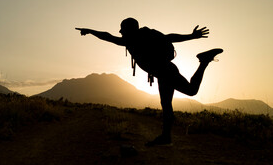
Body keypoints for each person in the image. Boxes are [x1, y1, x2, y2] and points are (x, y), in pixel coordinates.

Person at [76, 18, 223, 146]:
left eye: (122, 28)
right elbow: (170, 37)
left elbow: (108, 37)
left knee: (187, 93)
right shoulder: (146, 35)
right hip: (164, 71)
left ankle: (203, 61)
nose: (120, 31)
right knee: (168, 104)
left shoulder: (132, 39)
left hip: (164, 72)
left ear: (129, 29)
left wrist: (89, 31)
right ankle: (166, 137)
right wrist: (192, 36)